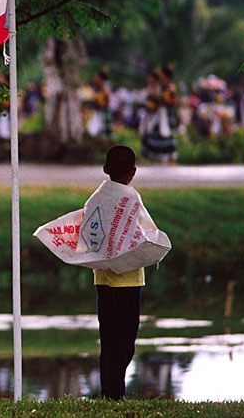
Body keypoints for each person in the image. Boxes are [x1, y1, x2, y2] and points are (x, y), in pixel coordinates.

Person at [95, 145, 145, 399]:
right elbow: (144, 232)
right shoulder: (131, 198)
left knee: (109, 336)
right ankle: (115, 393)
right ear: (133, 173)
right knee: (125, 339)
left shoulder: (97, 198)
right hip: (128, 280)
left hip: (103, 278)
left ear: (105, 170)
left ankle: (110, 391)